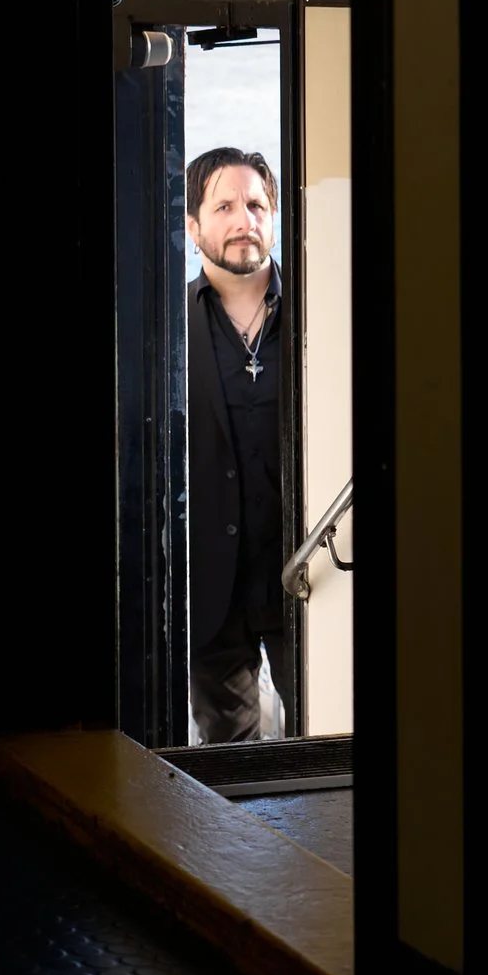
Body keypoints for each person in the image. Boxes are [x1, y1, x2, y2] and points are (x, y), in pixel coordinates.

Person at [185, 145, 292, 742]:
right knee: (231, 771)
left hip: (305, 580)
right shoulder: (167, 327)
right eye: (223, 206)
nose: (243, 220)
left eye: (255, 204)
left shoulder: (317, 314)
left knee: (335, 746)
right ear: (194, 226)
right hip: (212, 592)